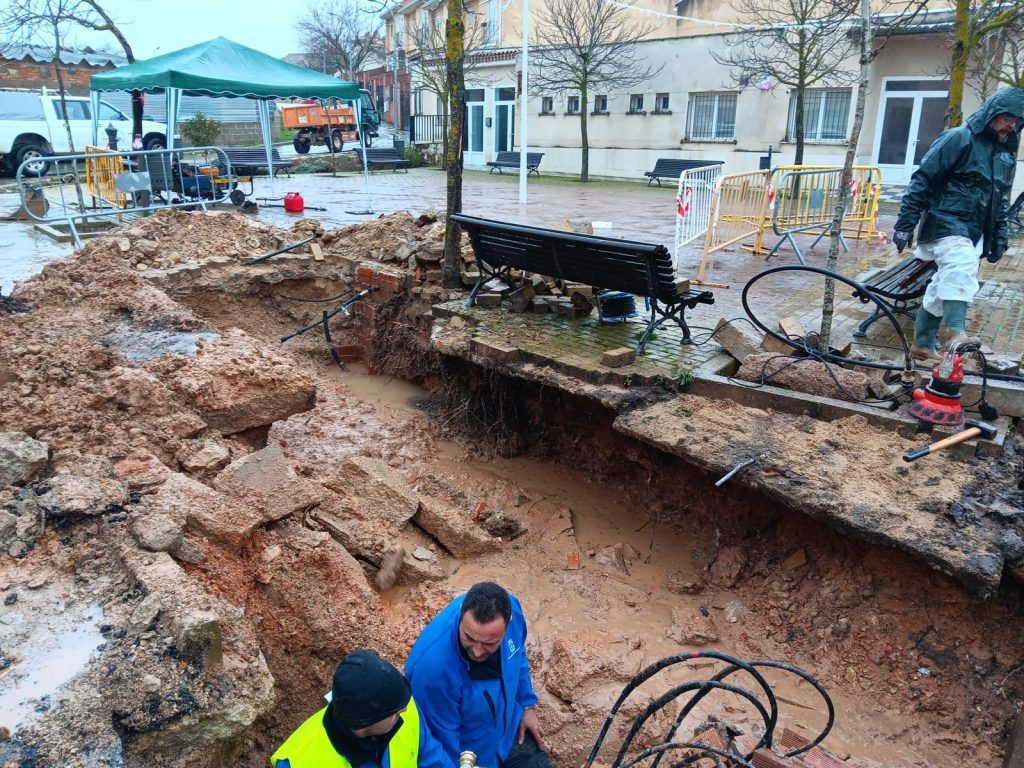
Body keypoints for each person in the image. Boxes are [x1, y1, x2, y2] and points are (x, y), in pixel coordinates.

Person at [893, 87, 1024, 360]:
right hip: (944, 221)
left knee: (945, 283)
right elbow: (923, 178)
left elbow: (1000, 199)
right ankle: (955, 331)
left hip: (972, 230)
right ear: (993, 112)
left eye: (1019, 121)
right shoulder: (959, 138)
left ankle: (923, 343)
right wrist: (905, 223)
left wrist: (999, 237)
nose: (1013, 125)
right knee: (962, 264)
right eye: (1009, 117)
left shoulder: (1004, 156)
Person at [405, 582, 554, 768]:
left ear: (507, 625)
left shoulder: (513, 612)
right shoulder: (433, 670)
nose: (477, 652)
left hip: (509, 736)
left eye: (489, 643)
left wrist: (526, 705)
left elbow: (518, 655)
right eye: (469, 638)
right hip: (469, 757)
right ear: (461, 617)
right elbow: (438, 744)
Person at [271, 649, 454, 768]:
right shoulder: (299, 761)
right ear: (365, 722)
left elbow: (432, 758)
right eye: (395, 712)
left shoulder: (403, 705)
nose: (404, 710)